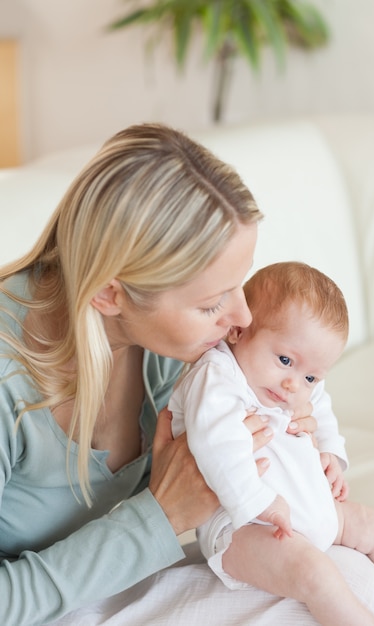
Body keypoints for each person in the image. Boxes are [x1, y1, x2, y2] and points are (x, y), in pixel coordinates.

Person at [0, 123, 324, 626]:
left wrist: (306, 439)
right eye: (212, 302)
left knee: (347, 581)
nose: (241, 317)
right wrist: (161, 515)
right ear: (110, 294)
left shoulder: (177, 351)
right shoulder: (8, 381)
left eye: (240, 284)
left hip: (116, 583)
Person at [170, 261, 374, 626]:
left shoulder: (295, 384)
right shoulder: (217, 376)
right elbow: (215, 445)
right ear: (239, 331)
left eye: (311, 375)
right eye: (284, 359)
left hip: (310, 505)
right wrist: (258, 503)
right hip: (242, 526)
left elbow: (320, 404)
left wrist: (331, 451)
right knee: (314, 573)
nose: (293, 385)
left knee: (371, 525)